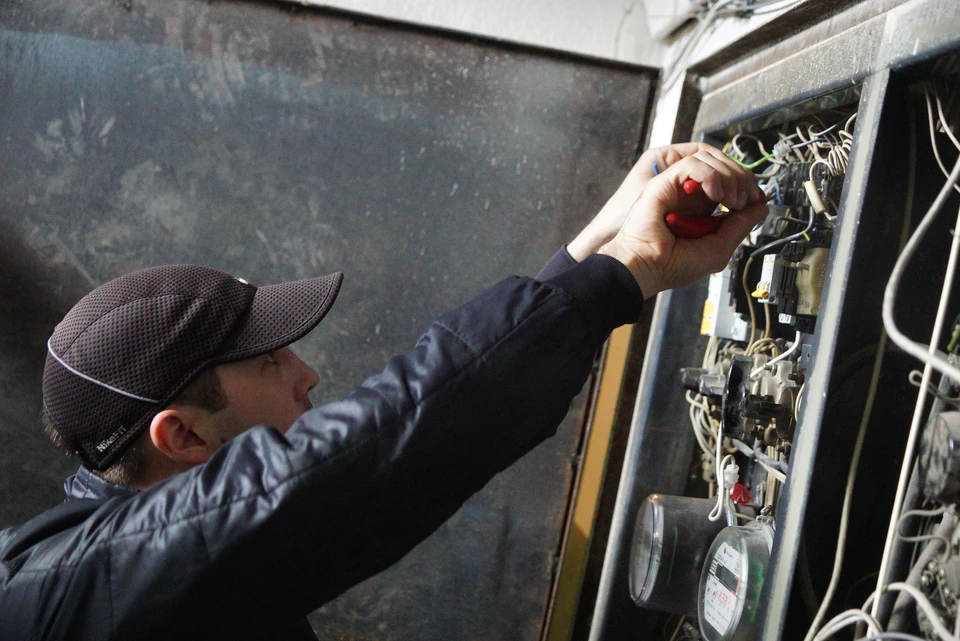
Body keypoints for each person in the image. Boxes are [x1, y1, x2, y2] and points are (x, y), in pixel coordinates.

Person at [0, 143, 766, 640]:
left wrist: (599, 245)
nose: (307, 374)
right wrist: (622, 271)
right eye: (269, 363)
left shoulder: (118, 576)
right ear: (183, 437)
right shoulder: (66, 598)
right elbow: (358, 460)